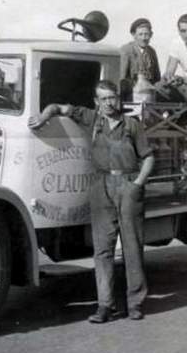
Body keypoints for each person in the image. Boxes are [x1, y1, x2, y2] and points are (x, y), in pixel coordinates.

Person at [28, 80, 155, 323]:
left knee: (132, 247)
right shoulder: (91, 119)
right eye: (103, 99)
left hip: (127, 186)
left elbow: (148, 157)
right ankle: (105, 306)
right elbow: (58, 107)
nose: (109, 103)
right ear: (96, 102)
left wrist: (137, 184)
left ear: (119, 99)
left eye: (112, 98)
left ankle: (135, 304)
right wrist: (44, 116)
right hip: (101, 187)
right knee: (103, 249)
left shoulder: (132, 125)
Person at [120, 18, 161, 101]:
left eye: (146, 34)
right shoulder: (126, 50)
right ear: (134, 35)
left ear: (151, 35)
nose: (144, 38)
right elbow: (122, 78)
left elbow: (157, 77)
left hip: (149, 92)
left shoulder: (152, 52)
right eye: (140, 34)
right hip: (131, 93)